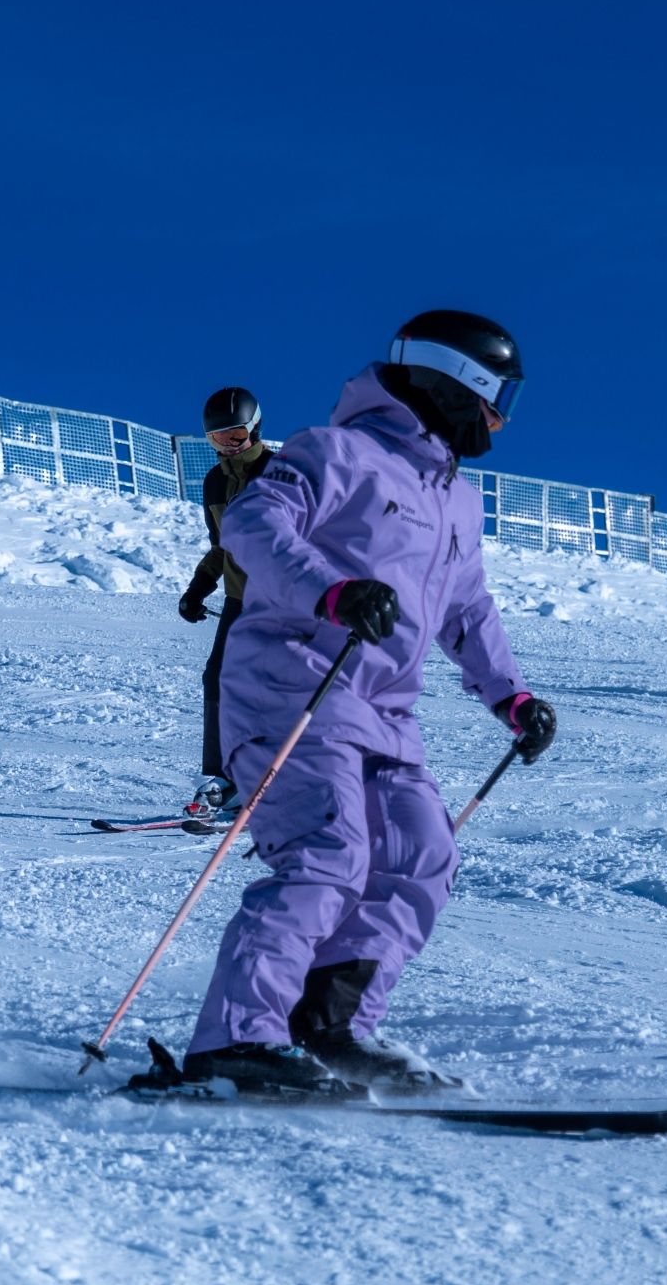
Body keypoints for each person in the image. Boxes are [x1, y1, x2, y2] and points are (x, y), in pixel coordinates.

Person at [176, 310, 558, 1092]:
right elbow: (253, 521)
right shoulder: (335, 451)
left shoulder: (458, 500)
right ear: (456, 384)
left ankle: (330, 1025)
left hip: (384, 709)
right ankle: (234, 1041)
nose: (499, 419)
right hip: (295, 683)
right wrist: (332, 590)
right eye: (496, 398)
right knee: (328, 853)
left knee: (424, 855)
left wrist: (510, 697)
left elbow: (468, 609)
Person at [178, 386, 274, 816]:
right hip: (239, 601)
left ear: (254, 429)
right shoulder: (215, 482)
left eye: (235, 435)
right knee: (217, 680)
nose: (228, 445)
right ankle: (221, 780)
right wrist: (199, 587)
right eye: (218, 438)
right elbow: (221, 545)